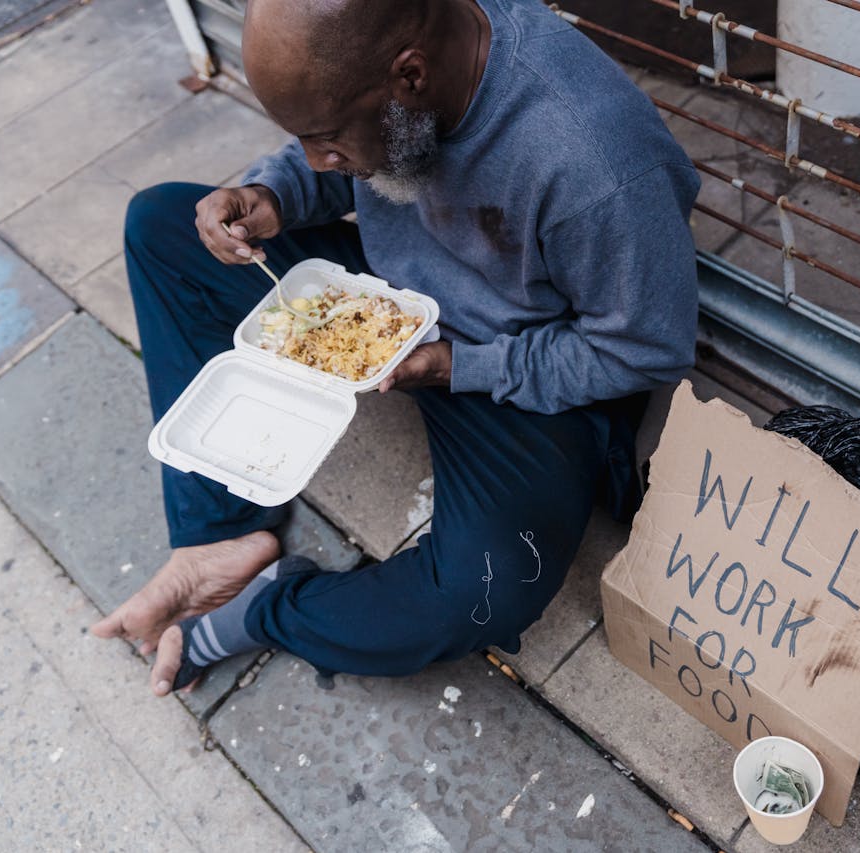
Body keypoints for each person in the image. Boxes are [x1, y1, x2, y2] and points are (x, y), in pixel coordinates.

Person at [91, 0, 700, 695]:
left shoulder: (598, 162)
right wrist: (274, 192)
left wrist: (456, 366)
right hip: (395, 298)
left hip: (516, 359)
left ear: (409, 77)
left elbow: (644, 349)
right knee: (159, 226)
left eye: (326, 139)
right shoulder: (405, 72)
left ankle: (265, 608)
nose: (321, 160)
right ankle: (223, 532)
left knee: (486, 588)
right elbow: (324, 153)